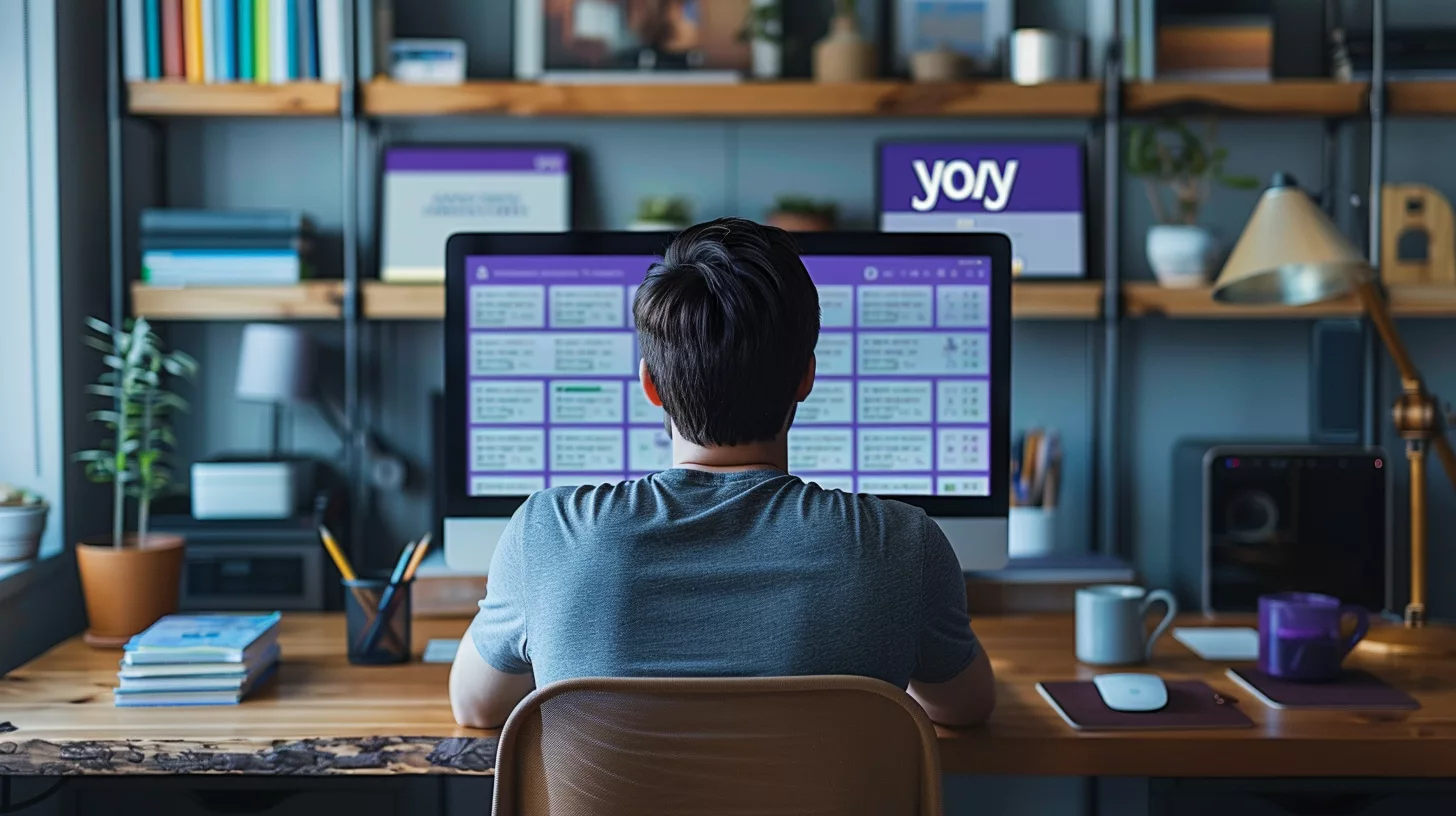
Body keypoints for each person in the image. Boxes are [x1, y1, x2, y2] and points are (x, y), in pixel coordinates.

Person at [450, 218, 995, 728]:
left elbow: (475, 705)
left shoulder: (547, 534)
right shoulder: (900, 546)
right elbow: (966, 706)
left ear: (651, 386)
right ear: (806, 376)